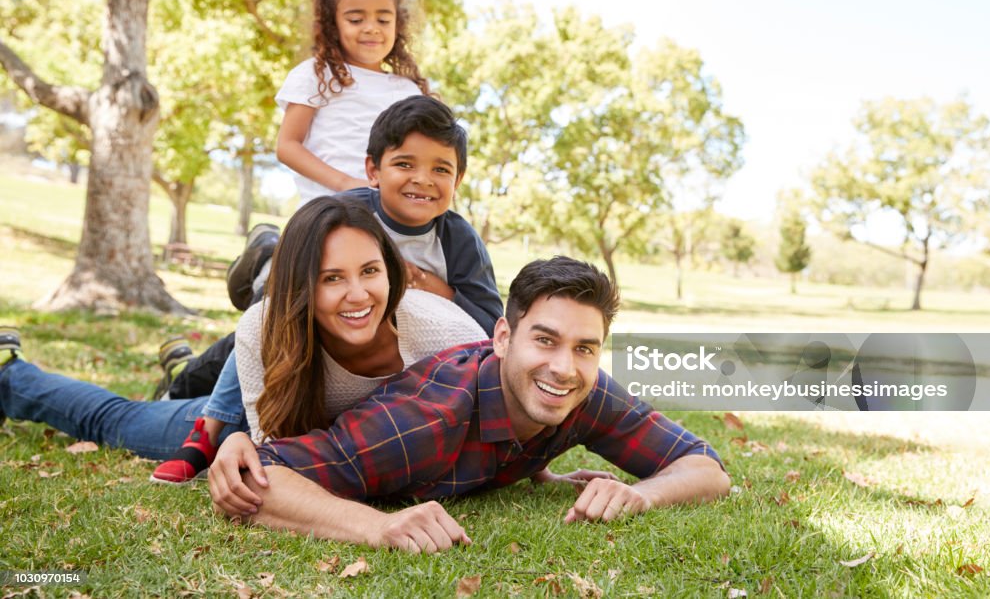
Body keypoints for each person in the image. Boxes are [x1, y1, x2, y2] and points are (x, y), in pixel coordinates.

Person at [215, 257, 730, 553]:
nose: (565, 368)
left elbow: (707, 467)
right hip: (287, 408)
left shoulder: (585, 393)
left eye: (585, 348)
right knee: (152, 424)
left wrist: (644, 496)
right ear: (503, 337)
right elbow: (261, 473)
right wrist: (376, 527)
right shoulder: (423, 423)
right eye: (545, 340)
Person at [151, 96, 503, 483]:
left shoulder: (458, 241)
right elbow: (283, 307)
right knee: (253, 333)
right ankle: (205, 423)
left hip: (361, 369)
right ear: (373, 170)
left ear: (459, 180)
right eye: (405, 164)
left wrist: (427, 283)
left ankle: (186, 366)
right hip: (306, 349)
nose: (422, 178)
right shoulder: (347, 214)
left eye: (441, 169)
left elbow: (488, 329)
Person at [0, 198, 486, 473]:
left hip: (301, 433)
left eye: (369, 271)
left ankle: (182, 372)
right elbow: (275, 456)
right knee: (118, 421)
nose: (357, 294)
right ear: (299, 286)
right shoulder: (267, 325)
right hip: (253, 428)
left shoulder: (444, 329)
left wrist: (542, 468)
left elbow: (502, 404)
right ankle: (10, 376)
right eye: (331, 277)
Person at [276, 0, 429, 205]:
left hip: (389, 210)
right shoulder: (316, 75)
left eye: (383, 20)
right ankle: (267, 242)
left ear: (397, 27)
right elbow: (287, 146)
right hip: (328, 208)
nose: (371, 28)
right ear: (332, 26)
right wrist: (345, 184)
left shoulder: (408, 91)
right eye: (356, 19)